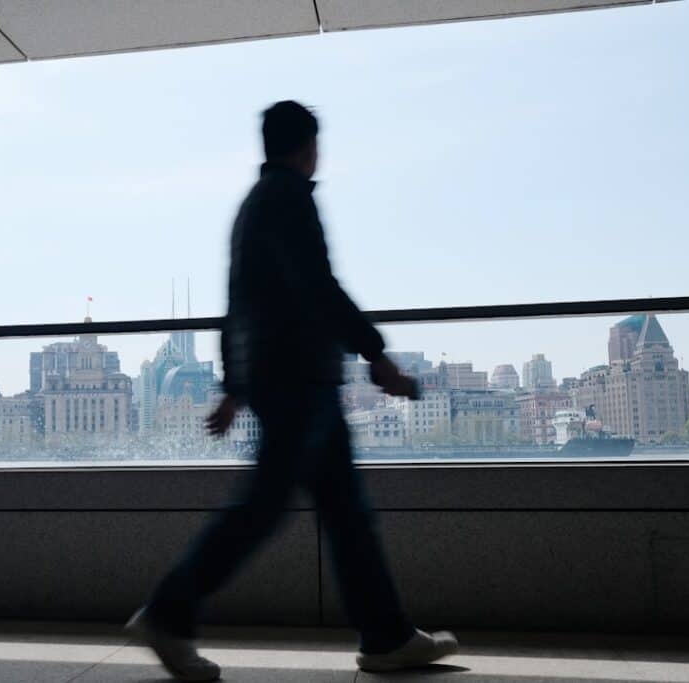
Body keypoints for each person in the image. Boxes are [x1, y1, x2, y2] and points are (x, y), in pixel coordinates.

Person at [126, 101, 458, 682]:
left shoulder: (251, 210)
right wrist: (375, 352)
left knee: (343, 514)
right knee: (265, 509)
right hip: (301, 382)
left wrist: (234, 387)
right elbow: (318, 286)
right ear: (308, 147)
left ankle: (385, 635)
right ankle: (168, 613)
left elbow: (236, 308)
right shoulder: (290, 199)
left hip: (287, 383)